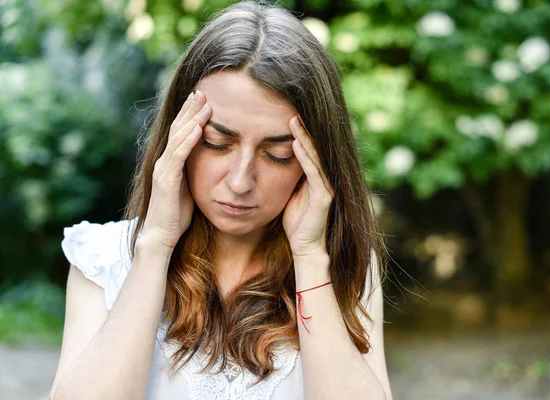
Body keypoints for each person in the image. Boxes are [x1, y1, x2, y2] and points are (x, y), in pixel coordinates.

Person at [49, 1, 392, 399]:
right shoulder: (102, 259)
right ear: (180, 137)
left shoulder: (343, 267)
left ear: (316, 160)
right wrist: (156, 244)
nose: (241, 180)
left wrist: (311, 257)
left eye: (277, 153)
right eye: (217, 142)